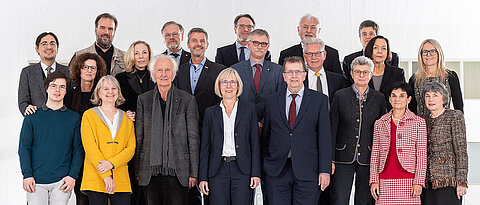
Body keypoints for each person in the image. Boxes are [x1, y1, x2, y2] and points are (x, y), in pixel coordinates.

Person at [262, 56, 332, 205]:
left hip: (308, 170)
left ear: (304, 75)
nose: (294, 76)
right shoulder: (271, 100)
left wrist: (324, 170)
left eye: (298, 72)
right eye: (289, 72)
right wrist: (265, 165)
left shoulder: (319, 100)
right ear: (284, 76)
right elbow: (266, 137)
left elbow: (325, 138)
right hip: (277, 170)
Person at [135, 54, 200, 205]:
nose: (163, 74)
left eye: (167, 70)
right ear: (153, 74)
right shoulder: (143, 100)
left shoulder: (187, 100)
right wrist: (138, 169)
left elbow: (193, 139)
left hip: (178, 168)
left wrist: (193, 172)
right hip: (150, 169)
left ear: (173, 73)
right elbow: (139, 137)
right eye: (159, 70)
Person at [19, 71, 82, 205]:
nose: (57, 90)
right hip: (35, 181)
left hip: (62, 181)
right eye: (53, 86)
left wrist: (72, 176)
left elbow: (78, 150)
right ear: (46, 88)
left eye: (62, 87)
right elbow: (24, 148)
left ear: (66, 91)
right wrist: (27, 175)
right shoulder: (32, 117)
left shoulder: (74, 118)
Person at [199, 68, 261, 205]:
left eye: (233, 82)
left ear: (238, 86)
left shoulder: (249, 110)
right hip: (217, 170)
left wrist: (256, 173)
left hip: (242, 170)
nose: (228, 86)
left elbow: (255, 144)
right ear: (219, 86)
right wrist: (202, 177)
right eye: (224, 82)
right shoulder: (210, 113)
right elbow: (205, 147)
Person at [329, 56, 386, 205]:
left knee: (364, 200)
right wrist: (331, 159)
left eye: (365, 72)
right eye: (358, 72)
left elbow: (382, 133)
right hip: (342, 156)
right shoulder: (340, 95)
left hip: (368, 157)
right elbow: (333, 128)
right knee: (339, 199)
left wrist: (380, 161)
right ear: (351, 74)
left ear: (371, 74)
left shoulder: (379, 98)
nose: (361, 75)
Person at [80, 75, 135, 205]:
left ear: (118, 92)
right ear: (98, 92)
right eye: (106, 89)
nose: (110, 92)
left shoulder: (127, 118)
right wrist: (106, 175)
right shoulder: (89, 115)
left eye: (113, 88)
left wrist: (111, 163)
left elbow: (130, 148)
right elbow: (90, 147)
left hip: (120, 178)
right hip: (96, 177)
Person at [369, 81, 427, 204]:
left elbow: (422, 155)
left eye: (402, 95)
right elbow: (375, 154)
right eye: (394, 95)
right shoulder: (380, 123)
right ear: (389, 99)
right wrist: (374, 180)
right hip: (384, 180)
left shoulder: (419, 123)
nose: (397, 99)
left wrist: (419, 182)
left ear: (409, 99)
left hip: (409, 181)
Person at [64, 52, 107, 205]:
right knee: (81, 198)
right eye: (85, 67)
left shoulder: (103, 96)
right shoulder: (69, 96)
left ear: (98, 72)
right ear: (79, 70)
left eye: (93, 68)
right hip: (77, 152)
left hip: (98, 152)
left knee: (97, 197)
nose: (89, 71)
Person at [115, 40, 154, 205]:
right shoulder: (121, 78)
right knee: (131, 179)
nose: (141, 57)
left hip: (151, 133)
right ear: (131, 55)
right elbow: (115, 105)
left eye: (144, 52)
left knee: (149, 184)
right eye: (137, 53)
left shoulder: (156, 77)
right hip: (129, 132)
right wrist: (125, 115)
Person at [421, 81, 468, 205]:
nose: (431, 99)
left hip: (448, 182)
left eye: (435, 95)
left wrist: (462, 182)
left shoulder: (454, 117)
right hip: (426, 184)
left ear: (444, 99)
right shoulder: (422, 120)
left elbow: (461, 151)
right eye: (427, 96)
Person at [174, 27, 226, 127]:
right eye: (194, 41)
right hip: (183, 127)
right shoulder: (178, 71)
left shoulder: (219, 71)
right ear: (188, 44)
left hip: (210, 126)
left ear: (207, 45)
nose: (198, 44)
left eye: (202, 41)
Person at [231, 29, 284, 123]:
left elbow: (280, 101)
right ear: (248, 44)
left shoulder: (279, 71)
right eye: (256, 43)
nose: (260, 47)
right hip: (241, 124)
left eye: (263, 43)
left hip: (270, 124)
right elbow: (231, 99)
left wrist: (263, 122)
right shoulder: (235, 70)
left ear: (268, 46)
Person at [408, 39, 463, 119]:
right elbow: (412, 109)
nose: (428, 54)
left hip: (445, 126)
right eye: (425, 51)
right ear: (421, 55)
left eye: (432, 51)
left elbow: (458, 107)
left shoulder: (451, 76)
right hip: (421, 127)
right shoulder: (414, 80)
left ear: (439, 53)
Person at [18, 32, 69, 116]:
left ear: (57, 48)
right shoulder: (27, 72)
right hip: (37, 120)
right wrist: (27, 110)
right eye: (44, 44)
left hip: (62, 120)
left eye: (52, 43)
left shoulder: (68, 71)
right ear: (37, 49)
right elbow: (23, 102)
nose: (49, 47)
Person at [364, 35, 405, 110]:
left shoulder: (397, 73)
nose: (380, 51)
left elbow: (403, 98)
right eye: (376, 48)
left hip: (390, 117)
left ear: (387, 52)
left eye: (383, 48)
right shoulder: (362, 73)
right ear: (370, 50)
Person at [302, 37, 348, 104]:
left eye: (317, 53)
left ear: (324, 55)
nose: (313, 57)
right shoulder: (300, 80)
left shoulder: (339, 80)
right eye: (309, 54)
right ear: (304, 57)